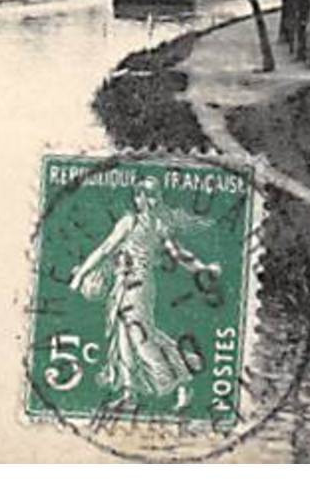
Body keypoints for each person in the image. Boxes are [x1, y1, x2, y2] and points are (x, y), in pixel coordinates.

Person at [68, 177, 220, 413]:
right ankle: (130, 394)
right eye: (139, 195)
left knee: (141, 339)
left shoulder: (157, 223)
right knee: (124, 339)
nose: (143, 200)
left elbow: (177, 254)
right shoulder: (132, 221)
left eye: (148, 195)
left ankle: (181, 383)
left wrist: (202, 269)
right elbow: (106, 249)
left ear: (155, 198)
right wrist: (83, 274)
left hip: (139, 287)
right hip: (122, 285)